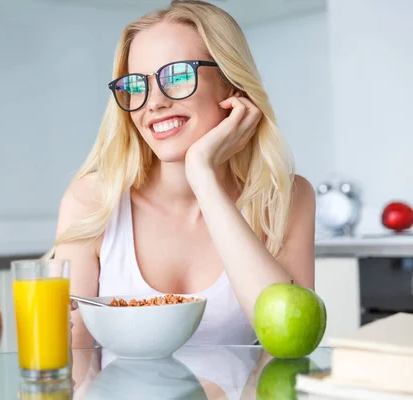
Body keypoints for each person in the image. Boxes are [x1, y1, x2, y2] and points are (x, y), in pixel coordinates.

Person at [47, 0, 316, 349]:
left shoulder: (286, 199)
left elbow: (291, 342)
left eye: (177, 76)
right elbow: (69, 362)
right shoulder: (93, 201)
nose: (153, 102)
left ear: (231, 85)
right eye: (137, 85)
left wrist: (203, 176)